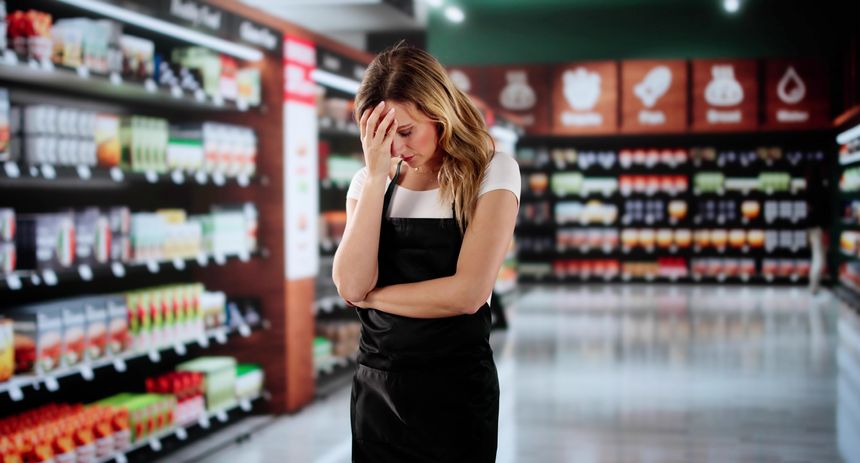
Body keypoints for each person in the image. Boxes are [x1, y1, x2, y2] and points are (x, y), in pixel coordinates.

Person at [331, 43, 520, 462]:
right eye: (380, 136)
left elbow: (468, 293)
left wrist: (373, 297)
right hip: (377, 390)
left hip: (455, 388)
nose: (395, 148)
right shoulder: (369, 182)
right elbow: (349, 283)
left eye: (405, 131)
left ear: (440, 113)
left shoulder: (492, 172)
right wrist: (378, 176)